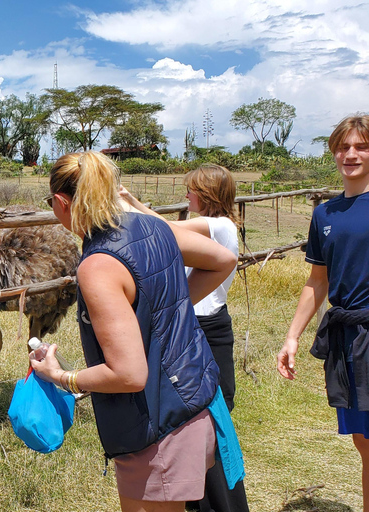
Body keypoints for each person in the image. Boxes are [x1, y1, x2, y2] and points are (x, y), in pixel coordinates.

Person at [30, 151, 238, 512]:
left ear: (62, 203)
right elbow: (223, 260)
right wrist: (167, 308)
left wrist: (61, 375)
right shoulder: (154, 227)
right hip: (193, 405)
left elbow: (128, 374)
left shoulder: (98, 266)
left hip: (157, 428)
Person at [121, 165, 249, 512]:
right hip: (205, 325)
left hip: (207, 328)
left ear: (207, 195)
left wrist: (129, 202)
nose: (187, 196)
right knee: (201, 424)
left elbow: (166, 230)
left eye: (192, 190)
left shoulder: (218, 225)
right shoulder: (220, 226)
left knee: (211, 424)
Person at [277, 115, 369, 511]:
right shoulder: (325, 215)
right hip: (347, 338)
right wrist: (293, 336)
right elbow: (318, 281)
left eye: (361, 146)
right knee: (364, 441)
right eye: (343, 146)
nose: (351, 154)